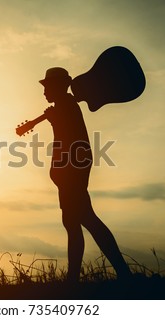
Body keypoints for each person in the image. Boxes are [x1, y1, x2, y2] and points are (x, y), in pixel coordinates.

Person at [40, 67, 132, 282]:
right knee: (74, 222)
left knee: (86, 221)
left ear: (58, 87)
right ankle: (77, 278)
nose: (44, 92)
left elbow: (68, 141)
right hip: (69, 173)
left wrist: (55, 121)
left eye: (47, 87)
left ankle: (121, 274)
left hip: (71, 174)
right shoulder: (65, 106)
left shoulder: (66, 107)